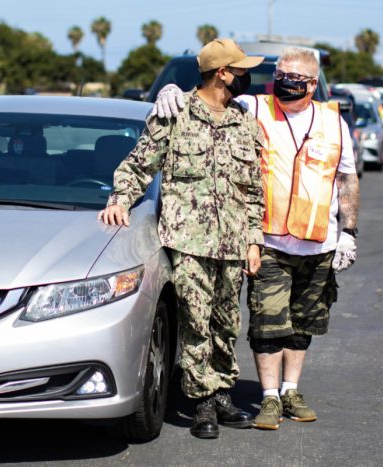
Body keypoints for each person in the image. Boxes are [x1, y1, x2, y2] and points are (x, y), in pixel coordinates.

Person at [152, 47, 360, 430]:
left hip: (319, 242)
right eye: (279, 75)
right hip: (267, 242)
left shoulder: (334, 123)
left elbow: (346, 178)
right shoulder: (253, 107)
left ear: (313, 84)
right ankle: (263, 398)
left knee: (300, 326)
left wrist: (348, 232)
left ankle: (289, 391)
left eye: (293, 79)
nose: (282, 83)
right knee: (264, 325)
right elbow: (206, 96)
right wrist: (169, 93)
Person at [99, 38, 265, 439]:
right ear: (222, 73)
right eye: (241, 69)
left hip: (233, 243)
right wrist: (120, 198)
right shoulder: (175, 114)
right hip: (188, 241)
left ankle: (223, 393)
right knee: (196, 320)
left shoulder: (244, 120)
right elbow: (141, 162)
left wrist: (254, 238)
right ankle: (202, 403)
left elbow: (254, 188)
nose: (247, 76)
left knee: (227, 322)